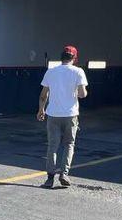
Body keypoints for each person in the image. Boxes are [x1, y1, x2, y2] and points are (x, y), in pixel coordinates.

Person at [37, 46, 88, 189]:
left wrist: (41, 109)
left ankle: (49, 178)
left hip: (53, 114)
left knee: (52, 146)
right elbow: (82, 94)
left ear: (62, 57)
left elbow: (43, 94)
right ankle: (64, 173)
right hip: (70, 115)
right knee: (69, 144)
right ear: (74, 58)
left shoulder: (51, 72)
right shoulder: (78, 72)